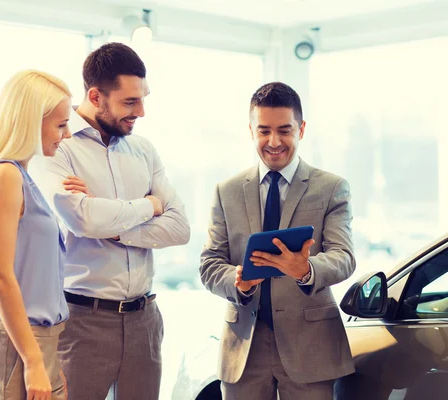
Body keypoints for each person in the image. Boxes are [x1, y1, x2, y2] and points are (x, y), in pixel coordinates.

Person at [31, 42, 190, 400]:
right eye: (130, 102)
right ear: (96, 95)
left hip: (145, 320)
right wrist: (149, 206)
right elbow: (82, 219)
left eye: (143, 98)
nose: (142, 112)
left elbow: (180, 229)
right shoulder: (57, 145)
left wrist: (114, 227)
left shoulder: (144, 149)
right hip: (83, 321)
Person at [200, 82, 356, 400]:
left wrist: (306, 269)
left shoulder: (332, 187)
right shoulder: (226, 191)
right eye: (264, 131)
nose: (274, 142)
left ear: (301, 128)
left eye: (284, 130)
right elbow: (210, 263)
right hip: (243, 347)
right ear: (251, 130)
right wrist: (238, 281)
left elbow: (343, 256)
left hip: (310, 347)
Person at [0, 70, 72, 400]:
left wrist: (44, 358)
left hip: (32, 342)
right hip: (16, 345)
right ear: (30, 121)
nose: (65, 135)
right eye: (60, 124)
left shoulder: (21, 176)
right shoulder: (6, 175)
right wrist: (34, 360)